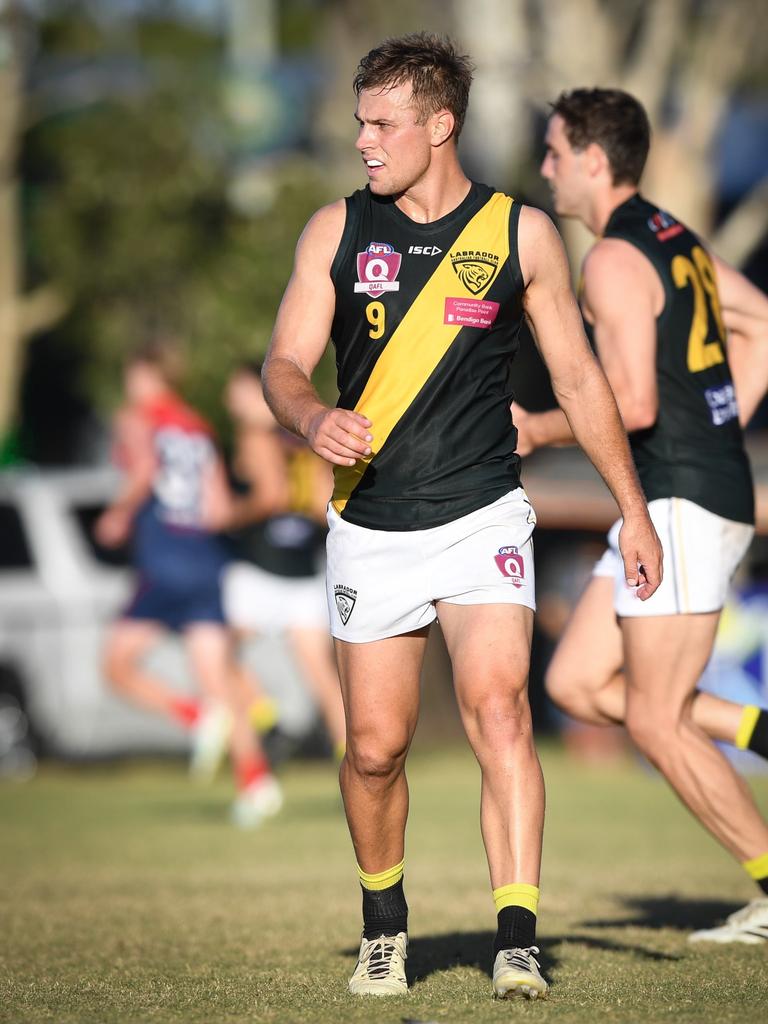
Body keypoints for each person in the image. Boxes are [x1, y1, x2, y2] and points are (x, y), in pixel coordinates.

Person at [260, 35, 662, 999]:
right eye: (359, 120)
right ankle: (384, 928)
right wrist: (312, 416)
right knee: (373, 747)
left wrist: (633, 511)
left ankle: (516, 934)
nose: (363, 139)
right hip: (372, 526)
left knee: (499, 708)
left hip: (484, 515)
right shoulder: (334, 231)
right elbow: (282, 364)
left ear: (440, 127)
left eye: (381, 123)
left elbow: (579, 377)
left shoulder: (521, 234)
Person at [516, 87, 768, 944]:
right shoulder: (674, 238)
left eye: (553, 152)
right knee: (575, 681)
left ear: (592, 159)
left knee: (656, 720)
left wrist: (537, 428)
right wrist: (723, 425)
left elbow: (627, 402)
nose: (544, 167)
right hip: (678, 494)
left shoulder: (613, 260)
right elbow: (761, 323)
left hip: (680, 503)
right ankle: (755, 730)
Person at [95, 340, 282, 828]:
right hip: (205, 560)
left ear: (149, 377)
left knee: (116, 665)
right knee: (219, 678)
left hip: (163, 560)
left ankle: (195, 717)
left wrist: (119, 512)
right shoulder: (198, 426)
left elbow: (143, 469)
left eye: (134, 376)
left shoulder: (138, 418)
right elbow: (217, 505)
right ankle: (257, 782)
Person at [222, 361, 346, 759]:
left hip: (260, 566)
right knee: (321, 674)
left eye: (238, 391)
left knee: (220, 651)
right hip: (304, 567)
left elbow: (270, 496)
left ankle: (265, 719)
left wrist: (227, 517)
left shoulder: (253, 435)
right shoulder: (306, 434)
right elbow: (324, 502)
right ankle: (352, 757)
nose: (230, 400)